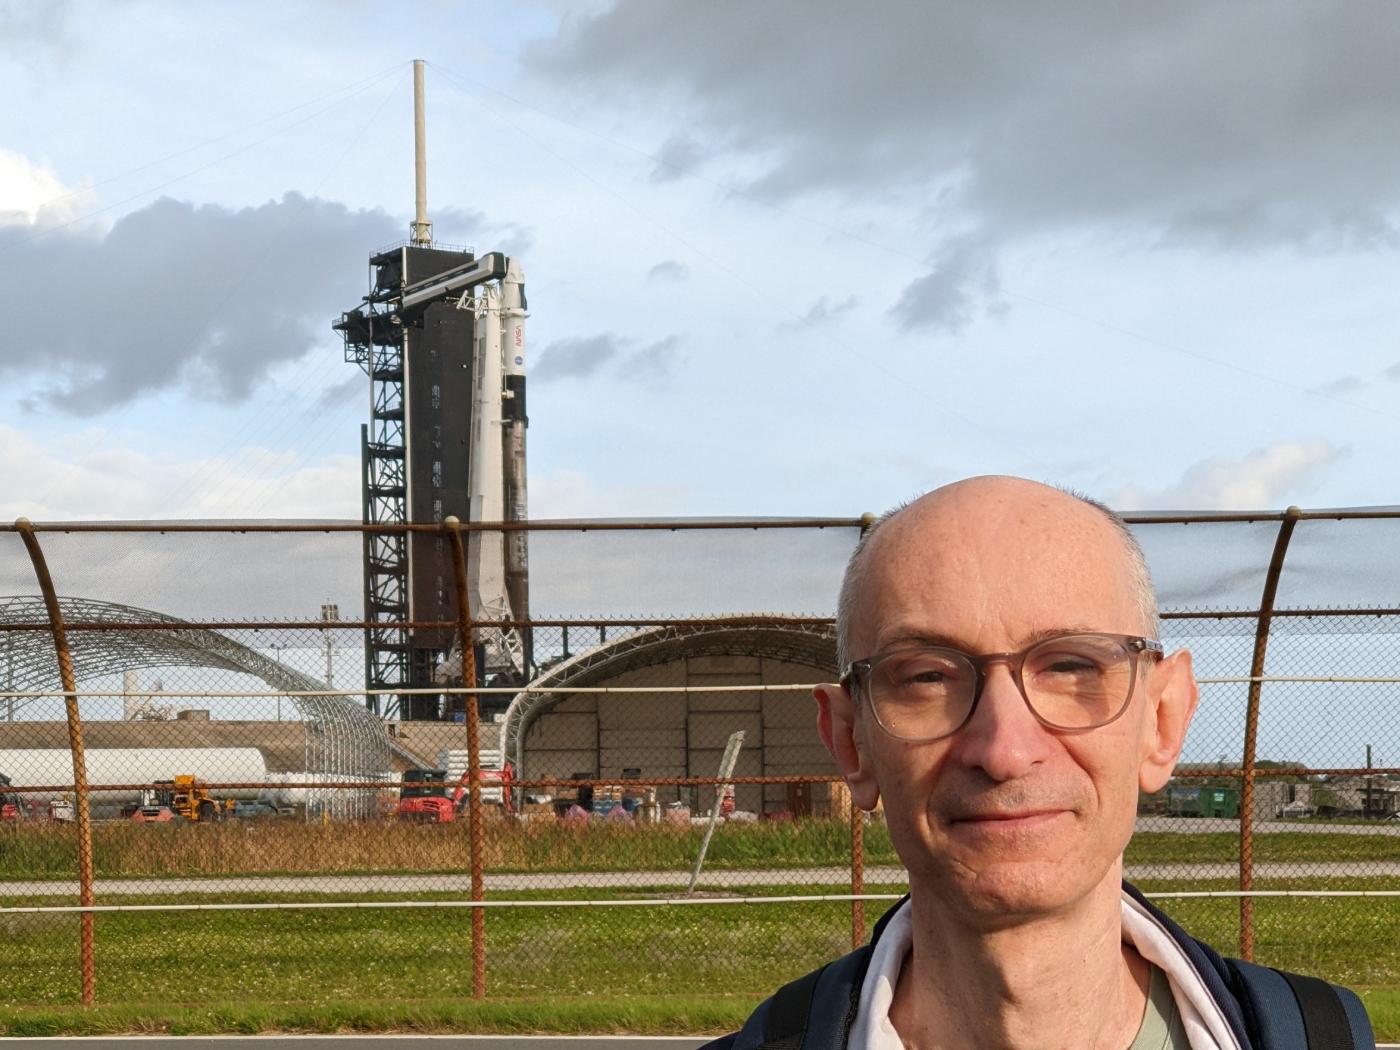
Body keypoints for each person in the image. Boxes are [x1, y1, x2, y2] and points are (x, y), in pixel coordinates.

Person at [707, 476, 1372, 1050]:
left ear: (1163, 721)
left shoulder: (1321, 1037)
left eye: (1072, 665)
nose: (1003, 750)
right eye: (927, 677)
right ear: (852, 741)